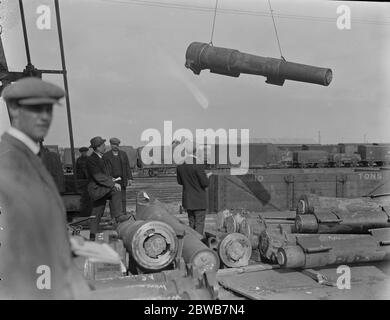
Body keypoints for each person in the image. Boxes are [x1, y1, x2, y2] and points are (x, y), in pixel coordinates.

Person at [0, 77, 89, 299]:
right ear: (14, 111)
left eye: (48, 109)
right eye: (35, 109)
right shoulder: (11, 157)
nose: (44, 117)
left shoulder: (37, 155)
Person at [86, 136, 130, 240]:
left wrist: (112, 179)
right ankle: (93, 235)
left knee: (98, 211)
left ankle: (117, 216)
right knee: (97, 212)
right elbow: (98, 176)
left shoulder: (101, 158)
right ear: (97, 148)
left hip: (103, 188)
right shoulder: (92, 160)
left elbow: (105, 174)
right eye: (102, 145)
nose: (105, 146)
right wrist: (112, 183)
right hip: (97, 189)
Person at [176, 141, 209, 236]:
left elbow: (180, 182)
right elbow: (205, 183)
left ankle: (192, 244)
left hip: (188, 200)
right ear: (195, 151)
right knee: (199, 223)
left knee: (191, 223)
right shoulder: (198, 164)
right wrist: (207, 176)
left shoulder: (180, 164)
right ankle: (198, 245)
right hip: (199, 200)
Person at [103, 137, 133, 214]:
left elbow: (127, 166)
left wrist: (130, 178)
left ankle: (123, 214)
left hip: (122, 180)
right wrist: (109, 179)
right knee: (113, 200)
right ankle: (114, 216)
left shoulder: (123, 154)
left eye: (117, 144)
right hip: (112, 181)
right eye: (113, 144)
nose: (115, 146)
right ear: (110, 145)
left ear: (118, 145)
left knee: (123, 199)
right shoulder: (106, 155)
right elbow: (105, 169)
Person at [75, 146, 92, 217]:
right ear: (81, 153)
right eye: (82, 152)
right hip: (81, 179)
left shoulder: (89, 159)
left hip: (88, 179)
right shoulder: (78, 160)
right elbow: (76, 169)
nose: (84, 153)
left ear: (86, 152)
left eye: (85, 152)